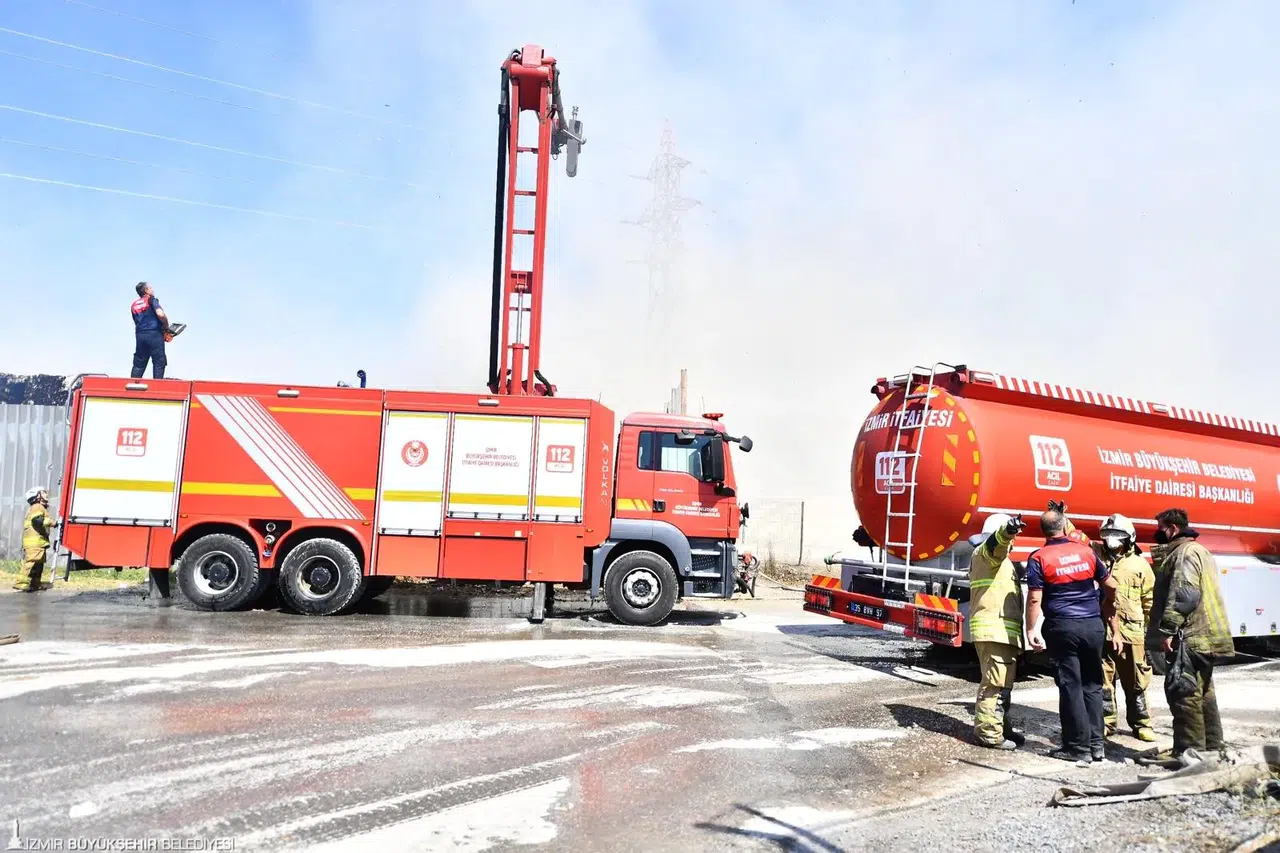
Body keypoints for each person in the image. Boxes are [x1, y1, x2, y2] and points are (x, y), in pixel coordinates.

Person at [1025, 507, 1121, 763]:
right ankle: (1097, 745)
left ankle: (1077, 749)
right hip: (1092, 626)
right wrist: (1105, 606)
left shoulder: (1038, 558)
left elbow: (1035, 599)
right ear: (1065, 525)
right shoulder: (1087, 552)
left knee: (1071, 686)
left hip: (1063, 627)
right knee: (1092, 685)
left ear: (1043, 531)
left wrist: (1031, 629)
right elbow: (1111, 585)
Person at [1148, 508, 1233, 758]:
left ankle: (1190, 753)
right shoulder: (1201, 551)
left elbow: (1185, 595)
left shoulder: (1184, 553)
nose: (1158, 532)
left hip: (1189, 637)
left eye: (1161, 527)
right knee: (1204, 692)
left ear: (1173, 529)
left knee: (1183, 693)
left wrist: (1167, 631)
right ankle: (1213, 747)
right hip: (1205, 636)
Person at [965, 512, 1028, 750]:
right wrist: (1008, 530)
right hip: (994, 631)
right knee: (994, 684)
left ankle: (1000, 726)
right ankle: (988, 734)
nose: (1011, 544)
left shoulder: (1000, 562)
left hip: (1002, 632)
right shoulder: (985, 553)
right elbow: (996, 543)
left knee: (1003, 684)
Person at [1098, 513, 1156, 742]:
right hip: (1104, 632)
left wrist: (1153, 634)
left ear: (1129, 539)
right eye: (1108, 536)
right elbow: (1076, 537)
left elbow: (1149, 601)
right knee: (1104, 682)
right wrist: (1063, 517)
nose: (1112, 541)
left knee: (1136, 682)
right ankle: (1106, 722)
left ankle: (1142, 724)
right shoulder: (1098, 557)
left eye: (1117, 536)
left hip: (1132, 634)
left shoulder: (1140, 565)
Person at [15, 487, 55, 592]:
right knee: (31, 562)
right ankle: (20, 584)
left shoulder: (40, 507)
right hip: (35, 542)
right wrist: (54, 523)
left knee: (38, 564)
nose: (46, 494)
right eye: (43, 492)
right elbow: (37, 521)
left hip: (39, 542)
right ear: (37, 496)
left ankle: (35, 584)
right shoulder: (37, 506)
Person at [130, 281, 169, 379]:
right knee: (159, 361)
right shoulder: (151, 299)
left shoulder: (134, 304)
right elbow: (160, 314)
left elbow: (136, 321)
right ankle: (157, 389)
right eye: (150, 288)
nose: (152, 289)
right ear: (146, 290)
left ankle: (131, 389)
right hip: (154, 334)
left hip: (140, 335)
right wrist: (166, 328)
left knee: (139, 363)